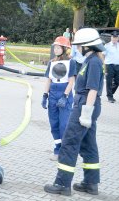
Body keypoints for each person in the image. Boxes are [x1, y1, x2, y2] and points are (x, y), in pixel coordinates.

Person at [44, 28, 105, 196]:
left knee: (69, 143)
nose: (77, 48)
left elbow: (92, 89)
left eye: (79, 45)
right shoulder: (91, 60)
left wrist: (86, 113)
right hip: (87, 105)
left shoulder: (93, 62)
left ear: (87, 46)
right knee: (88, 144)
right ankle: (90, 183)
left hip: (85, 105)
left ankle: (62, 184)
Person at [41, 36, 75, 161]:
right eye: (54, 47)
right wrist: (45, 95)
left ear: (65, 49)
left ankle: (65, 151)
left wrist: (65, 96)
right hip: (53, 95)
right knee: (54, 125)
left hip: (64, 94)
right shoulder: (51, 62)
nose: (55, 49)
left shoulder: (71, 62)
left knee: (64, 125)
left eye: (58, 47)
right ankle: (57, 149)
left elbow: (71, 81)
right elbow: (49, 79)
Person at [103, 31, 119, 103]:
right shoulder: (107, 45)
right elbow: (103, 55)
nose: (114, 39)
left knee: (117, 81)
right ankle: (110, 97)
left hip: (118, 65)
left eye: (116, 37)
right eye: (113, 37)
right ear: (111, 37)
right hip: (109, 65)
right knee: (109, 82)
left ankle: (110, 93)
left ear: (118, 38)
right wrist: (104, 66)